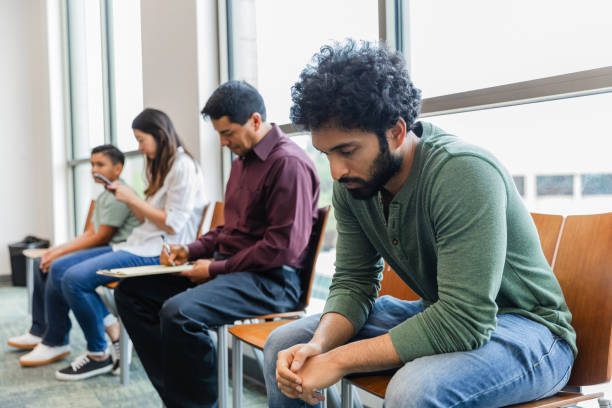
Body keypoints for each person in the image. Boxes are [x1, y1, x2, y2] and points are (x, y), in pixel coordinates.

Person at [265, 40, 577, 408]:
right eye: (326, 153)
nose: (336, 171)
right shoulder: (353, 185)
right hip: (440, 310)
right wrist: (318, 347)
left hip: (532, 331)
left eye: (347, 151)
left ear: (396, 132)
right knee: (285, 347)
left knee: (414, 390)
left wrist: (337, 359)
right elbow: (354, 283)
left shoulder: (464, 172)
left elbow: (465, 320)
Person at [115, 80, 320, 408]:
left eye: (228, 133)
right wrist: (192, 250)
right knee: (132, 294)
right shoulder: (241, 162)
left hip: (271, 282)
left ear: (255, 121)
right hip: (233, 270)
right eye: (219, 134)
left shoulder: (288, 164)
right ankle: (181, 398)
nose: (223, 143)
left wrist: (214, 267)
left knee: (179, 313)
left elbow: (283, 248)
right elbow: (230, 229)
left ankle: (195, 403)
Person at [20, 108, 206, 381]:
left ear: (159, 134)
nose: (140, 148)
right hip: (141, 242)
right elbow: (148, 219)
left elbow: (174, 225)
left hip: (163, 251)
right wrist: (128, 197)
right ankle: (94, 332)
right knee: (59, 269)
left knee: (72, 280)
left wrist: (132, 199)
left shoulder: (183, 166)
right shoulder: (165, 167)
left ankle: (99, 354)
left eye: (142, 140)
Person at [8, 145, 141, 365]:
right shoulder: (105, 194)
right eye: (91, 164)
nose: (93, 169)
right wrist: (55, 250)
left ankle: (59, 339)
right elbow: (89, 233)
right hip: (103, 249)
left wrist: (57, 253)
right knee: (45, 262)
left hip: (116, 250)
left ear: (118, 169)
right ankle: (43, 331)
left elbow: (101, 238)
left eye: (100, 164)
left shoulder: (120, 195)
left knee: (59, 269)